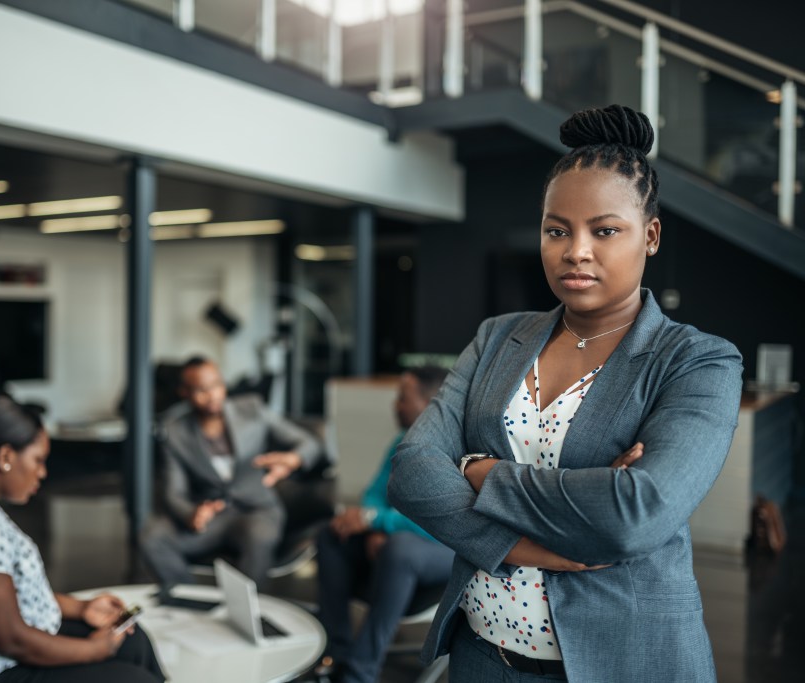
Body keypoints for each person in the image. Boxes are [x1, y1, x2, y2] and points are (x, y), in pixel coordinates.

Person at [388, 104, 743, 682]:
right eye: (558, 230)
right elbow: (412, 474)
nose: (576, 251)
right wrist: (524, 546)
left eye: (605, 230)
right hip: (483, 657)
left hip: (623, 661)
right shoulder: (497, 336)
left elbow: (635, 515)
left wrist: (479, 472)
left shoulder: (698, 361)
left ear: (649, 236)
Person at [0, 396, 166, 683]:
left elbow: (5, 596)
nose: (42, 473)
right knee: (130, 678)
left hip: (8, 649)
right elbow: (11, 639)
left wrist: (81, 608)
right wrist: (93, 650)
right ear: (5, 457)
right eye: (38, 460)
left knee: (130, 640)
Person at [313, 366, 455, 683]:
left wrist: (380, 523)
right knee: (331, 533)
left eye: (402, 398)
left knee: (401, 548)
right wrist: (375, 525)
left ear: (431, 403)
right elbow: (374, 493)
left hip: (446, 550)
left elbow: (441, 520)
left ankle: (360, 673)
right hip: (393, 544)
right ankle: (336, 651)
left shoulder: (456, 449)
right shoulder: (401, 441)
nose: (395, 405)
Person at [139, 356, 322, 587]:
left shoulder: (252, 410)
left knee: (259, 536)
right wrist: (191, 514)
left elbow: (311, 443)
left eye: (216, 384)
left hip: (257, 510)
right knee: (152, 537)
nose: (212, 394)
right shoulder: (174, 433)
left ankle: (249, 611)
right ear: (184, 392)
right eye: (201, 389)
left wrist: (292, 459)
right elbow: (174, 491)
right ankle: (189, 600)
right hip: (212, 516)